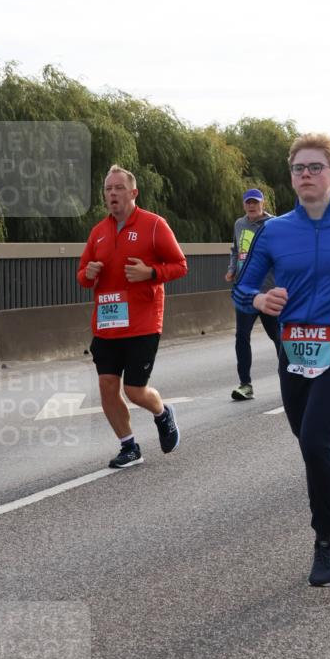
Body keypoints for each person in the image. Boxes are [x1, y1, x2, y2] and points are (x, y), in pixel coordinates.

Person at [233, 133, 330, 587]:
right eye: (299, 168)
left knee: (319, 438)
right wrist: (261, 298)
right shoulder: (274, 231)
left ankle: (326, 541)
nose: (306, 174)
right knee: (310, 442)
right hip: (294, 348)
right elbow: (241, 289)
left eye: (315, 167)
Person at [77, 165, 188, 468]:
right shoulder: (98, 232)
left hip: (142, 322)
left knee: (134, 390)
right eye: (108, 189)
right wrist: (87, 274)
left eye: (118, 188)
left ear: (133, 192)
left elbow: (180, 265)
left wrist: (150, 272)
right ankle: (129, 446)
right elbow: (82, 276)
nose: (112, 193)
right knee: (107, 386)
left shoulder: (154, 225)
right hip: (107, 324)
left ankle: (162, 413)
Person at [225, 189, 279, 401]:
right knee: (241, 337)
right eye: (248, 202)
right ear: (244, 205)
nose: (251, 206)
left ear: (263, 204)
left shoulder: (274, 225)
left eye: (255, 202)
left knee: (278, 338)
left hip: (268, 291)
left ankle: (289, 377)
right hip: (245, 292)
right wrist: (232, 269)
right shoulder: (240, 224)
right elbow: (235, 250)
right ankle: (245, 385)